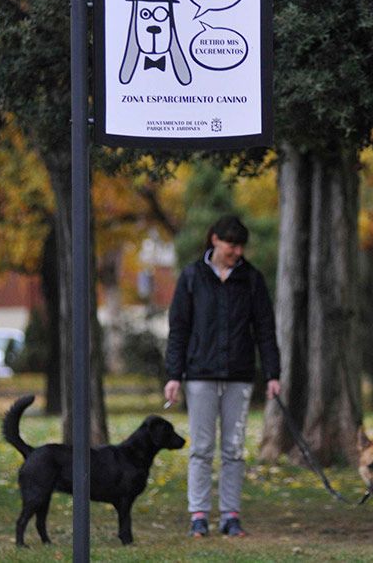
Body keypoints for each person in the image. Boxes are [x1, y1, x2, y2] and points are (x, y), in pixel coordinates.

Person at [163, 215, 281, 538]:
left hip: (239, 375)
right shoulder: (191, 277)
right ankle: (198, 515)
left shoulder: (252, 280)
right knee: (201, 448)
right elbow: (179, 330)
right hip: (199, 374)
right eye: (232, 245)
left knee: (233, 448)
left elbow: (265, 329)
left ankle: (231, 515)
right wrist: (173, 375)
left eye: (241, 246)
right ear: (215, 239)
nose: (237, 252)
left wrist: (272, 373)